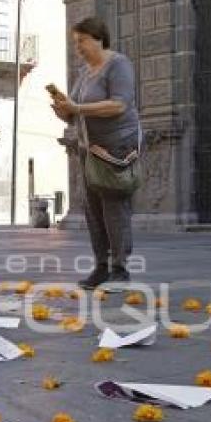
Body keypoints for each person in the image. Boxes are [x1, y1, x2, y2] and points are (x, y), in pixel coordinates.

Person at [50, 17, 142, 289]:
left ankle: (120, 268)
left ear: (98, 38)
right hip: (88, 148)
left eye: (81, 41)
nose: (77, 47)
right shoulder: (85, 72)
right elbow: (76, 113)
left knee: (114, 207)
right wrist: (64, 111)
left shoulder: (118, 65)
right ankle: (101, 266)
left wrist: (77, 108)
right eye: (75, 42)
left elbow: (119, 106)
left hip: (116, 147)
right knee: (93, 209)